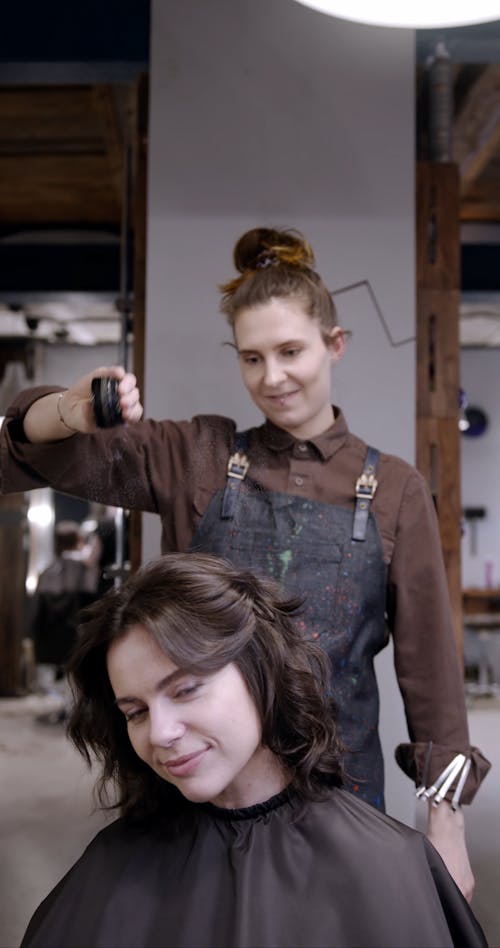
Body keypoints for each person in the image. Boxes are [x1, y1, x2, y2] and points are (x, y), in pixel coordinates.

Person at [0, 227, 491, 899]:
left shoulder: (396, 489)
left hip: (339, 794)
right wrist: (69, 410)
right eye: (252, 358)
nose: (273, 378)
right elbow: (24, 458)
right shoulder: (196, 457)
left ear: (334, 344)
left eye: (291, 351)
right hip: (197, 796)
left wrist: (448, 826)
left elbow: (431, 670)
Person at [20, 552, 487, 948]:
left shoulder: (389, 866)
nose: (159, 732)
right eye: (135, 711)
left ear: (260, 671)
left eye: (185, 690)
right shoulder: (110, 868)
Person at [30, 519, 101, 720]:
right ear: (78, 540)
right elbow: (92, 602)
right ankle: (72, 708)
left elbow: (38, 611)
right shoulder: (85, 570)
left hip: (52, 634)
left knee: (59, 674)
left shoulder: (47, 572)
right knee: (75, 672)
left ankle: (68, 706)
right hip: (76, 632)